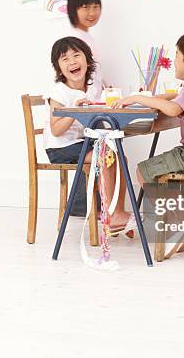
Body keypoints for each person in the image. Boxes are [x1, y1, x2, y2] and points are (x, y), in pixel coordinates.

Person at [112, 30, 184, 184]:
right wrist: (152, 98)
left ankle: (169, 209)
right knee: (168, 175)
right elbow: (176, 97)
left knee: (143, 172)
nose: (174, 61)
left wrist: (137, 98)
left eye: (176, 55)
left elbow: (173, 109)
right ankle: (177, 207)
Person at [43, 36, 132, 230]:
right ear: (58, 68)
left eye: (77, 55)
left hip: (82, 143)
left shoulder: (91, 88)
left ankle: (117, 211)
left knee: (119, 157)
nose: (72, 61)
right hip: (60, 148)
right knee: (106, 156)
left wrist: (109, 95)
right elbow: (56, 131)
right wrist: (75, 111)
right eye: (65, 59)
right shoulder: (59, 92)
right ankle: (111, 214)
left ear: (88, 60)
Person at [66, 0, 105, 95]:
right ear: (73, 9)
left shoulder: (87, 37)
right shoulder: (74, 40)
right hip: (81, 104)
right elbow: (73, 77)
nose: (92, 13)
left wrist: (107, 88)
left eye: (95, 7)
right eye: (86, 7)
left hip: (94, 101)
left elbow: (94, 71)